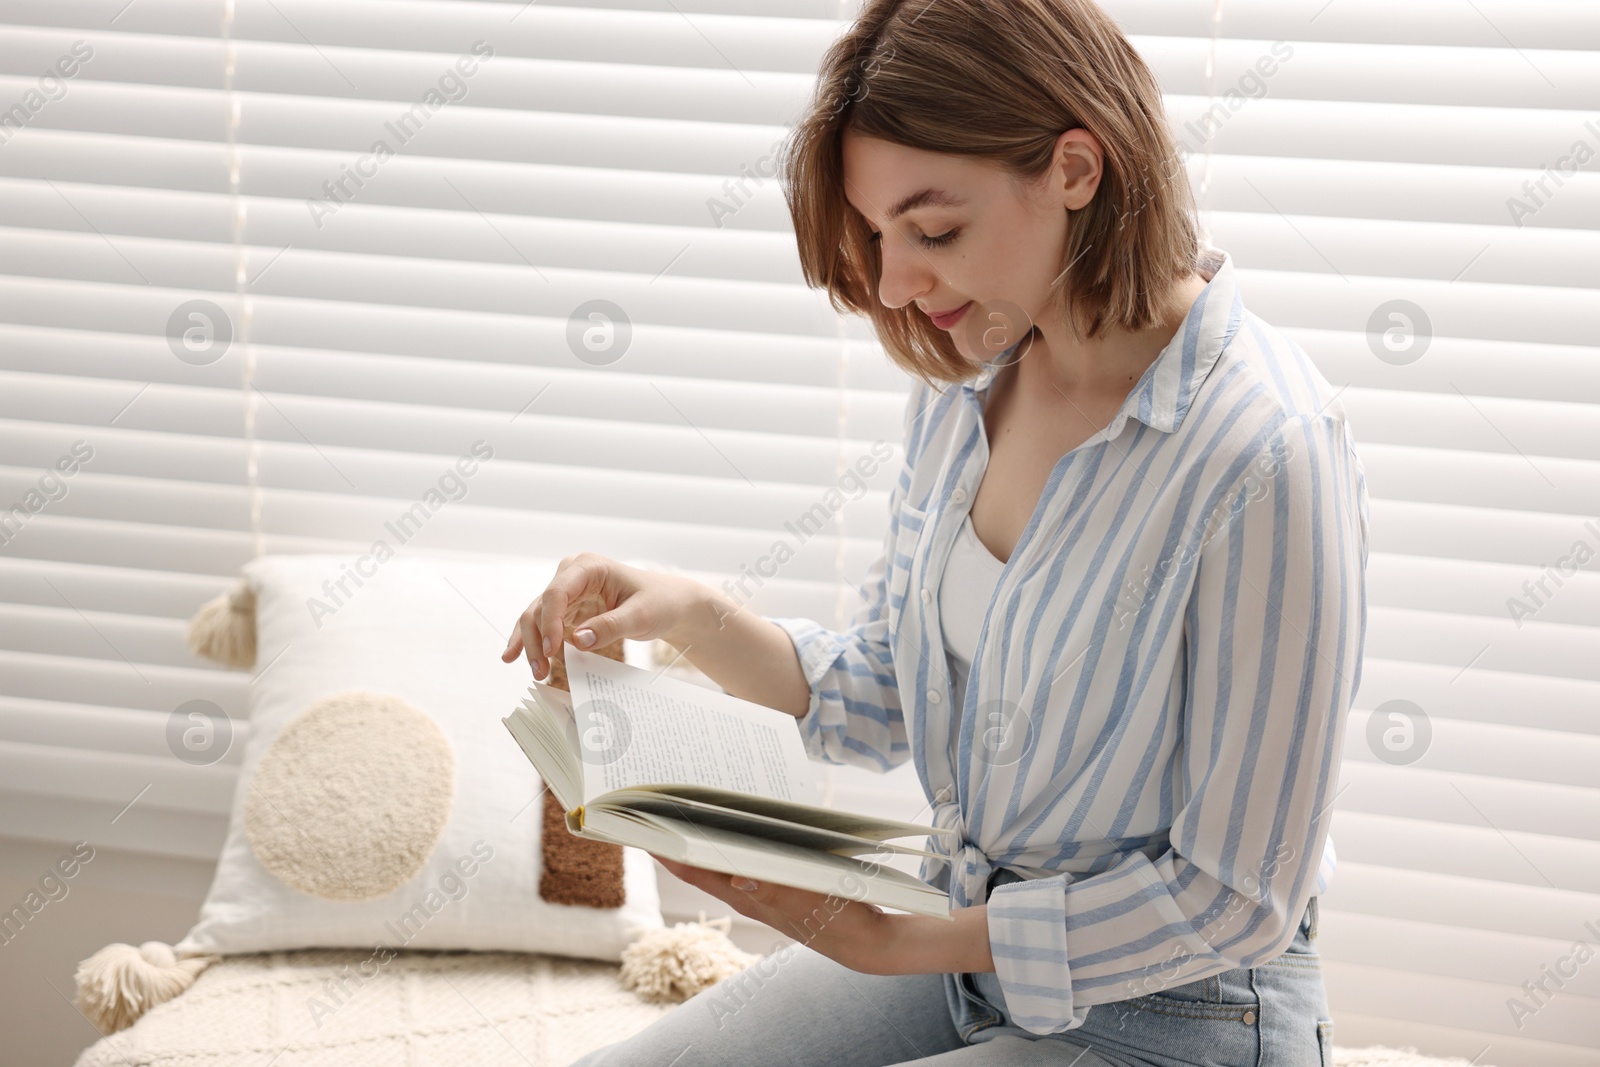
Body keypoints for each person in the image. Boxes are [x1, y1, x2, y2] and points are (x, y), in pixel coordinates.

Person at [504, 1, 1367, 1063]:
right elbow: (886, 689)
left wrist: (898, 940)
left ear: (1075, 169)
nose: (899, 281)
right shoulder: (972, 387)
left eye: (934, 229)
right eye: (878, 234)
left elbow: (1239, 894)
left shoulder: (1264, 448)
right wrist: (694, 611)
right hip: (967, 962)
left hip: (1178, 1019)